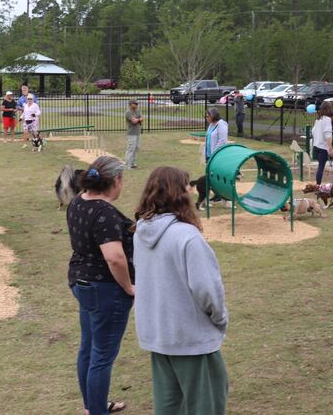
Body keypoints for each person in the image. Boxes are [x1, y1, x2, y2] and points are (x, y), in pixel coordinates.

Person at [134, 167, 229, 415]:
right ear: (180, 194)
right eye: (187, 187)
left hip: (159, 337)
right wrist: (220, 320)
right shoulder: (188, 238)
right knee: (206, 406)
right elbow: (208, 291)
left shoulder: (140, 232)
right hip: (192, 340)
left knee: (169, 408)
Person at [67, 156, 135, 415]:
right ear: (116, 180)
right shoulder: (104, 211)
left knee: (88, 347)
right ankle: (96, 410)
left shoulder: (77, 202)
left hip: (82, 284)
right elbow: (114, 258)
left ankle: (92, 405)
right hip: (105, 290)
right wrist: (129, 287)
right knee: (102, 355)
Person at [204, 108, 229, 202]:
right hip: (209, 154)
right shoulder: (211, 125)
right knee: (211, 175)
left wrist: (214, 153)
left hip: (216, 155)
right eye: (206, 116)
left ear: (213, 116)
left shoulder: (221, 124)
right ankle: (217, 194)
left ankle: (224, 195)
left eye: (208, 116)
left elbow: (222, 141)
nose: (206, 118)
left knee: (217, 175)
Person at [312, 101, 333, 185]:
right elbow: (327, 134)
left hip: (317, 145)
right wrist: (330, 148)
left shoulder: (318, 119)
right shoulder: (327, 120)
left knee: (320, 166)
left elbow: (313, 132)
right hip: (323, 147)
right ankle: (318, 185)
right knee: (321, 167)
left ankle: (318, 184)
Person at [125, 100, 143, 169]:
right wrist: (139, 119)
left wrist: (138, 119)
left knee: (136, 148)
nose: (136, 105)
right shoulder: (128, 112)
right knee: (131, 148)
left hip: (137, 132)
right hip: (132, 133)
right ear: (130, 104)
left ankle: (133, 164)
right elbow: (134, 121)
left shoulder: (137, 111)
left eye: (137, 104)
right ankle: (127, 165)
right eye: (135, 104)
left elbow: (142, 118)